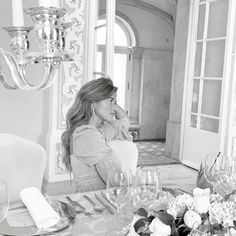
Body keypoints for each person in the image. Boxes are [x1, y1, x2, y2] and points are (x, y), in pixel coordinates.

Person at [61, 78, 133, 192]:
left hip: (102, 202)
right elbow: (118, 182)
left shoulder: (96, 132)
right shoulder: (87, 136)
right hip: (97, 205)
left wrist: (119, 111)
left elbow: (122, 125)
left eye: (116, 103)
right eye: (110, 101)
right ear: (93, 104)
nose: (114, 108)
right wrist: (143, 181)